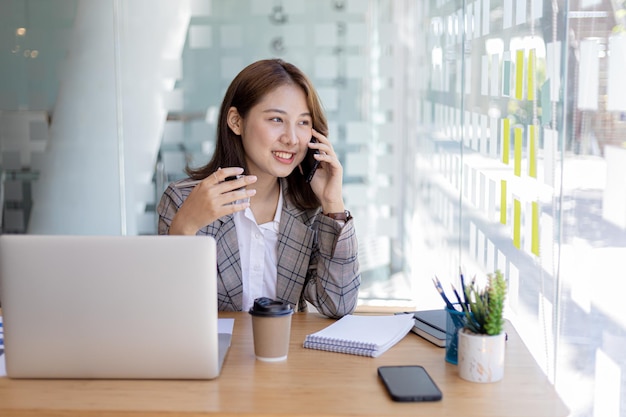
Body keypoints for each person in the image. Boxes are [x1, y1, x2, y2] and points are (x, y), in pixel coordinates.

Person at [157, 58, 360, 318]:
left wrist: (333, 204)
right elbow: (170, 310)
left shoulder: (308, 210)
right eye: (276, 119)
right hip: (212, 356)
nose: (292, 139)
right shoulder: (182, 201)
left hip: (284, 355)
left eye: (303, 122)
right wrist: (184, 227)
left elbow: (338, 305)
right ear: (236, 121)